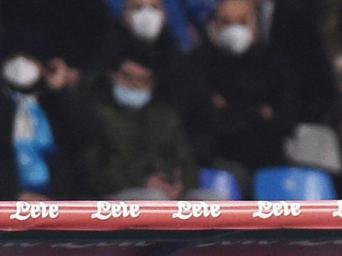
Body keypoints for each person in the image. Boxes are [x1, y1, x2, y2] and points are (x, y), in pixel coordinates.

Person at [186, 0, 297, 178]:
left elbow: (286, 120)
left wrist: (229, 109)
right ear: (214, 25)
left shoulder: (273, 62)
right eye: (226, 22)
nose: (234, 29)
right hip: (218, 158)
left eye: (242, 22)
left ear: (255, 25)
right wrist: (257, 112)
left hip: (269, 157)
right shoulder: (197, 63)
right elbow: (201, 119)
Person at [81, 48, 197, 199]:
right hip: (117, 193)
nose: (135, 84)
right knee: (154, 201)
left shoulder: (165, 117)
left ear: (152, 84)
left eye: (143, 80)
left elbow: (187, 161)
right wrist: (142, 182)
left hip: (169, 192)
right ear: (113, 76)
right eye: (127, 77)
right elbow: (94, 168)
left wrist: (181, 184)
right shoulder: (94, 113)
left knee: (212, 203)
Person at [0, 29, 95, 200]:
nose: (20, 65)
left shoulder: (54, 103)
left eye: (29, 59)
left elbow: (89, 135)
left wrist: (61, 91)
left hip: (60, 202)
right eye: (12, 58)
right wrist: (12, 195)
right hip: (7, 204)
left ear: (44, 66)